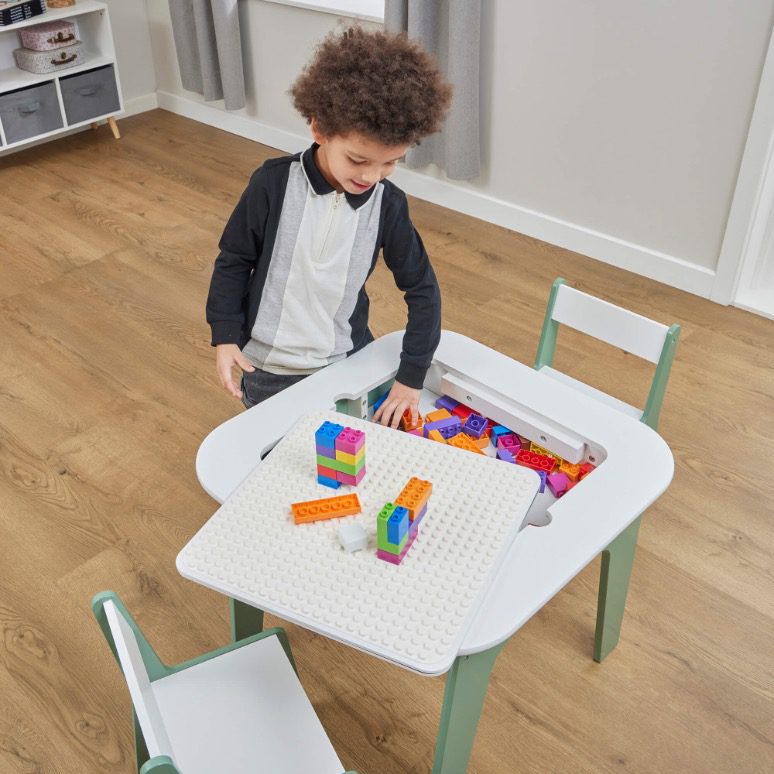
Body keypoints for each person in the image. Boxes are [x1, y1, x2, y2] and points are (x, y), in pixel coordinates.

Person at [206, 26, 452, 427]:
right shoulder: (272, 184)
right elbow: (234, 260)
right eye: (358, 160)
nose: (372, 176)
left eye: (390, 162)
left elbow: (423, 289)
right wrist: (225, 333)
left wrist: (411, 377)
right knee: (282, 453)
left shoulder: (387, 204)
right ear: (319, 130)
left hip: (346, 362)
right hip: (268, 368)